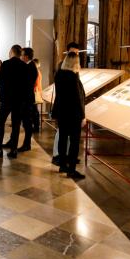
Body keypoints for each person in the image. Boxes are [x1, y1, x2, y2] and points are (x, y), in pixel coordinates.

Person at [51, 52, 86, 180]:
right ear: (75, 63)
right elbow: (77, 98)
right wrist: (83, 116)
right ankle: (71, 170)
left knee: (63, 138)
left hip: (62, 112)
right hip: (73, 114)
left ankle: (62, 165)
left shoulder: (59, 75)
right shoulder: (73, 76)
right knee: (74, 142)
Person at [0, 45, 27, 160]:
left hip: (7, 99)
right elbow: (25, 85)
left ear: (12, 52)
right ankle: (13, 150)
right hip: (19, 100)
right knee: (16, 125)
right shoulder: (24, 66)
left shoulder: (6, 64)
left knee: (0, 123)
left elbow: (1, 81)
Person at [17, 46, 39, 152]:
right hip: (26, 99)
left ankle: (27, 144)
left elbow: (26, 85)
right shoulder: (29, 66)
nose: (20, 57)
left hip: (27, 99)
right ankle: (26, 144)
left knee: (27, 123)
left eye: (21, 55)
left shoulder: (30, 67)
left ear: (26, 56)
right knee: (26, 122)